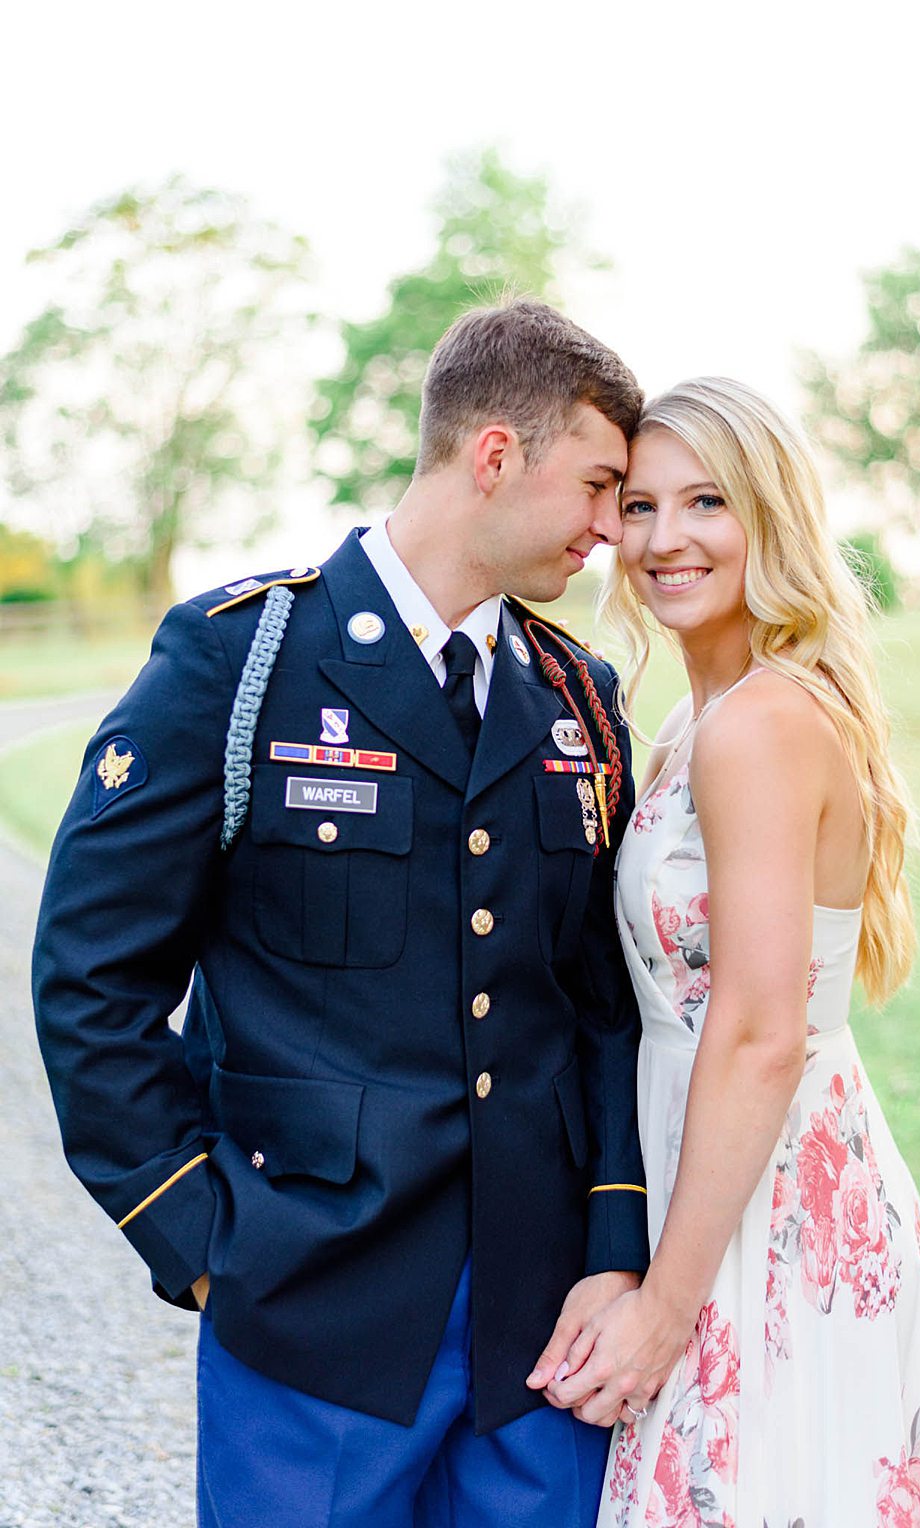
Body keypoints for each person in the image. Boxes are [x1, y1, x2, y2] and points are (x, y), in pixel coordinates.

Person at [32, 301, 654, 1525]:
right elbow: (91, 975)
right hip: (312, 1314)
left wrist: (617, 1244)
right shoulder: (240, 657)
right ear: (493, 454)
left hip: (541, 1347)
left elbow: (604, 1006)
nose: (607, 528)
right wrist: (203, 1239)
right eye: (595, 484)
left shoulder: (581, 697)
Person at [533, 378, 920, 1526]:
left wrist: (669, 1304)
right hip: (721, 1169)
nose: (664, 538)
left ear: (769, 519)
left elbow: (762, 1031)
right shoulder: (695, 721)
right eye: (637, 505)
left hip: (761, 1192)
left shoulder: (764, 724)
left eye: (706, 503)